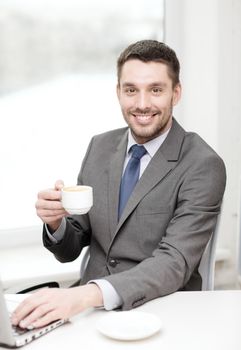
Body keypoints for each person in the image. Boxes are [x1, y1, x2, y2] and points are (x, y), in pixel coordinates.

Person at [12, 40, 226, 329]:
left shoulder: (202, 164)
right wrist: (55, 224)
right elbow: (71, 247)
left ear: (176, 93)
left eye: (155, 89)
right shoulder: (99, 147)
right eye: (131, 90)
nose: (141, 104)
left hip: (162, 311)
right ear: (118, 93)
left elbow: (173, 262)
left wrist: (84, 296)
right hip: (89, 311)